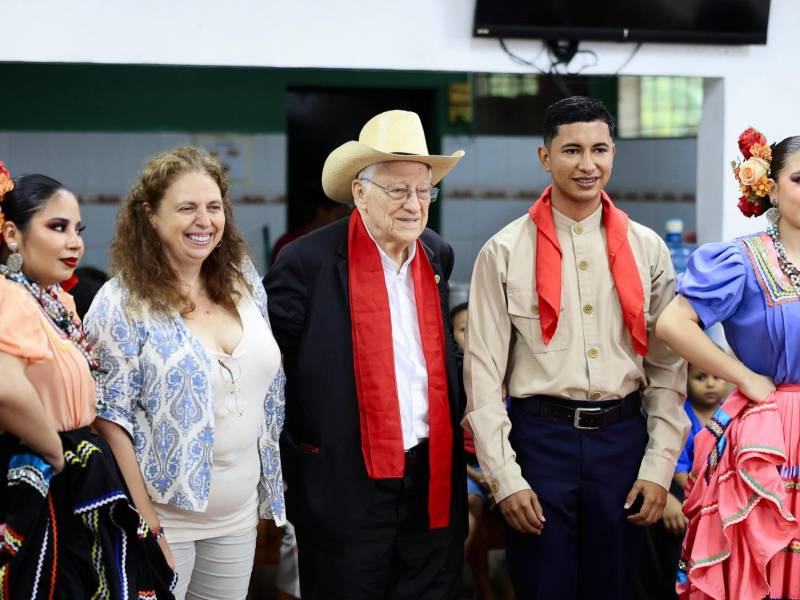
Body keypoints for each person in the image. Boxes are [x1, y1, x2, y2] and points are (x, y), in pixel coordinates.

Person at [463, 96, 689, 599]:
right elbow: (481, 376)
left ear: (613, 154)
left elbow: (667, 369)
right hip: (540, 443)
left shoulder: (647, 247)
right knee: (544, 587)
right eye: (571, 150)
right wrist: (506, 479)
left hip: (623, 442)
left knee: (616, 587)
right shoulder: (503, 251)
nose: (587, 165)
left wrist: (658, 469)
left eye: (599, 149)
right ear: (545, 157)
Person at [264, 109, 468, 599]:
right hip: (342, 479)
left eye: (423, 191)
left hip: (429, 474)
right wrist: (281, 461)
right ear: (360, 193)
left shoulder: (435, 254)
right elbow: (266, 370)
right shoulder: (306, 261)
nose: (413, 205)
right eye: (397, 190)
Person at [84, 146, 286, 600]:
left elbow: (267, 383)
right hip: (162, 518)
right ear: (150, 216)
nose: (204, 220)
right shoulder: (120, 303)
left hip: (237, 516)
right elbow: (108, 418)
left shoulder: (243, 280)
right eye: (187, 207)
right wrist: (149, 528)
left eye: (214, 207)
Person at [0, 165, 174, 598]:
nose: (74, 242)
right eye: (57, 227)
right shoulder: (10, 296)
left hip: (75, 480)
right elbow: (5, 387)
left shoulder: (56, 301)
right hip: (41, 483)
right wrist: (55, 451)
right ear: (11, 235)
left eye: (78, 229)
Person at [656, 129, 800, 600]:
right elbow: (673, 323)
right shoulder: (742, 259)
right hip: (771, 430)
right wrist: (744, 378)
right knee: (763, 562)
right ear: (769, 187)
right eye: (799, 178)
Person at [635, 363, 728, 600]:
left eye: (717, 377)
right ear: (685, 380)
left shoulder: (729, 414)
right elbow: (677, 464)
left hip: (724, 499)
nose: (710, 383)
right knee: (679, 559)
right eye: (701, 377)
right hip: (686, 494)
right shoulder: (681, 415)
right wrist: (703, 494)